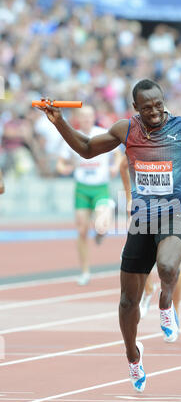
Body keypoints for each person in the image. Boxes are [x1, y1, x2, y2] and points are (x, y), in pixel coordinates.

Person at [37, 79, 181, 393]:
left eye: (158, 104)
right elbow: (87, 148)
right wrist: (59, 122)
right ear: (136, 108)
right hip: (142, 220)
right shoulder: (126, 130)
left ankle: (165, 303)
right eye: (147, 107)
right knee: (127, 301)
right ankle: (133, 354)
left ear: (164, 101)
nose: (155, 112)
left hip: (175, 213)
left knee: (168, 267)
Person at [119, 149, 181, 319]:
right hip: (146, 208)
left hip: (174, 211)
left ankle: (173, 311)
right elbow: (123, 166)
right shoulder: (139, 140)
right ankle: (148, 289)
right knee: (134, 256)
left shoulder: (180, 141)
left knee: (172, 265)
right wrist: (128, 198)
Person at [56, 105, 122, 286]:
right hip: (82, 189)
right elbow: (60, 164)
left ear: (94, 117)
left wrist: (115, 166)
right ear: (78, 118)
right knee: (82, 231)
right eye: (83, 116)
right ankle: (85, 271)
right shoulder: (71, 136)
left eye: (89, 116)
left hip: (100, 187)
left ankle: (101, 232)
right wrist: (65, 169)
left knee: (101, 225)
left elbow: (117, 156)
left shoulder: (102, 133)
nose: (86, 119)